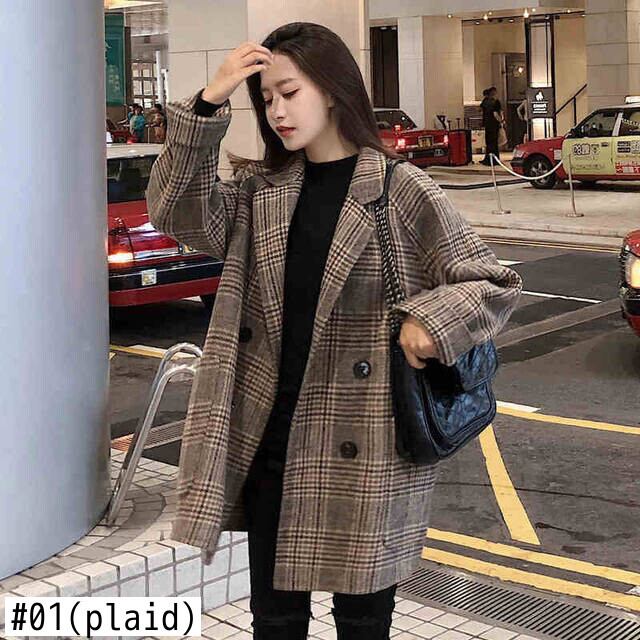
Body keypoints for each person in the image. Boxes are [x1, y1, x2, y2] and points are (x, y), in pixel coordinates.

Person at [147, 22, 522, 640]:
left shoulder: (398, 189)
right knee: (274, 621)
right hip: (271, 438)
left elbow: (493, 281)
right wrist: (209, 103)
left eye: (290, 93)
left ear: (333, 88)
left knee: (362, 624)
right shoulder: (260, 194)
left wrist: (430, 323)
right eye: (267, 98)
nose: (277, 111)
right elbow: (176, 212)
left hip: (366, 441)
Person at [480, 86, 504, 165]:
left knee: (488, 142)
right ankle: (495, 159)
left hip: (487, 125)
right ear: (494, 93)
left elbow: (481, 111)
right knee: (494, 143)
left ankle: (487, 159)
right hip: (494, 125)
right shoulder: (496, 102)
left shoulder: (485, 101)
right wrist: (501, 121)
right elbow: (495, 114)